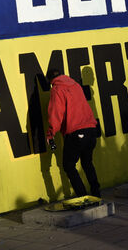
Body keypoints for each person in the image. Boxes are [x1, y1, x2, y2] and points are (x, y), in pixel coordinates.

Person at [45, 69, 100, 199]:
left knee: (68, 165)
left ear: (51, 81)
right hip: (91, 129)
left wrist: (50, 134)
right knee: (87, 162)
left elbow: (55, 114)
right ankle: (97, 194)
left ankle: (82, 197)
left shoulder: (57, 89)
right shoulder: (75, 85)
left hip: (77, 132)